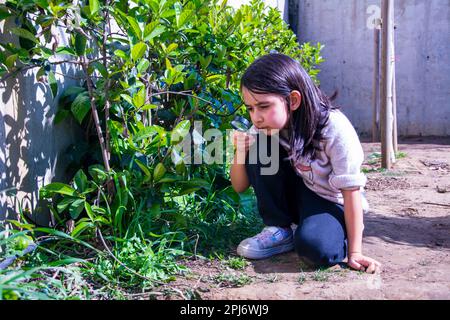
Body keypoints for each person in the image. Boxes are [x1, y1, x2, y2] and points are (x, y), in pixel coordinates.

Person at [230, 53, 381, 273]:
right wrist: (240, 152)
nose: (256, 117)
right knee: (261, 145)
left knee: (315, 250)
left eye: (263, 106)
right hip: (301, 190)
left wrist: (355, 252)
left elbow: (350, 192)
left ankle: (337, 232)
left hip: (332, 199)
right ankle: (279, 230)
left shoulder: (334, 129)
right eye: (250, 108)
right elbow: (239, 186)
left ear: (293, 100)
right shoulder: (266, 129)